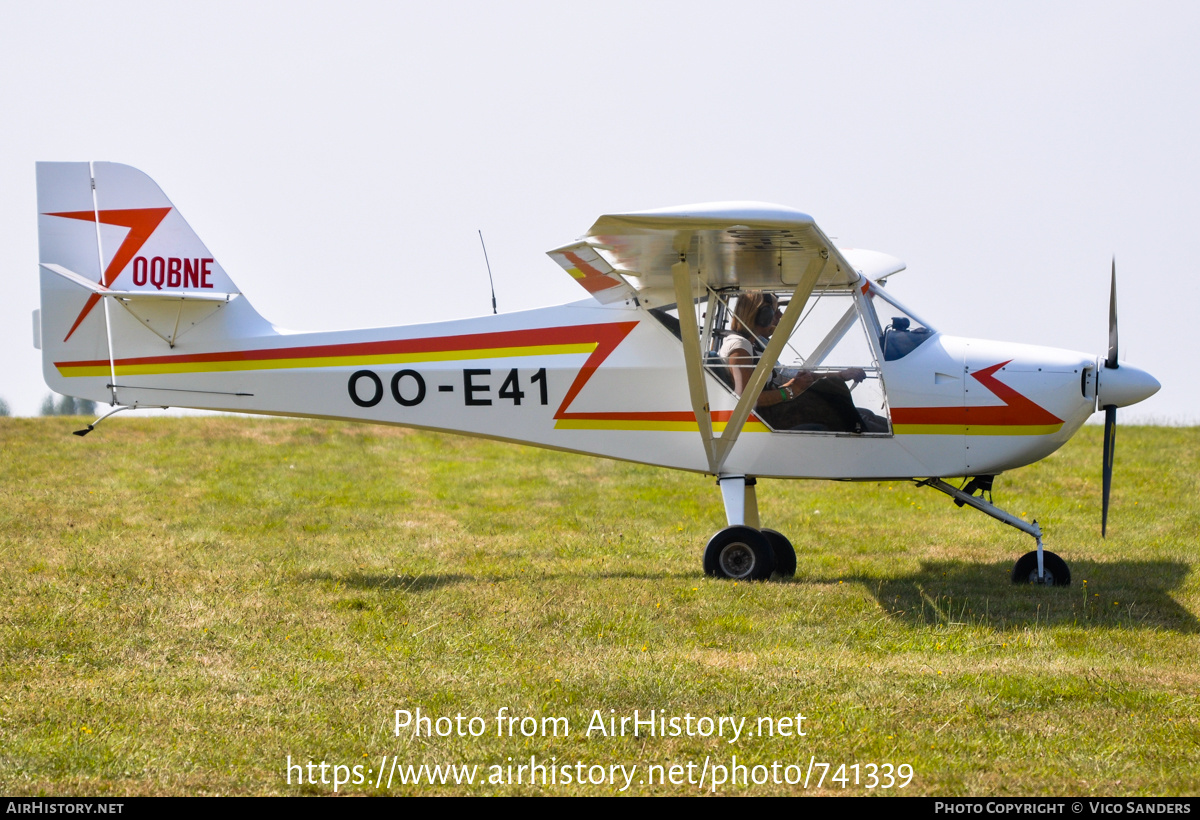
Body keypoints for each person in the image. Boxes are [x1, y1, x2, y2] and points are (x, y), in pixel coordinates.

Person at [718, 291, 890, 433]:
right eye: (774, 311)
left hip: (773, 410)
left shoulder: (757, 346)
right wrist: (791, 391)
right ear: (761, 315)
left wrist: (838, 374)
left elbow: (784, 376)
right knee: (834, 389)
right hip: (765, 417)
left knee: (860, 410)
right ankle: (866, 434)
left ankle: (866, 428)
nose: (780, 316)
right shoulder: (740, 346)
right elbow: (746, 398)